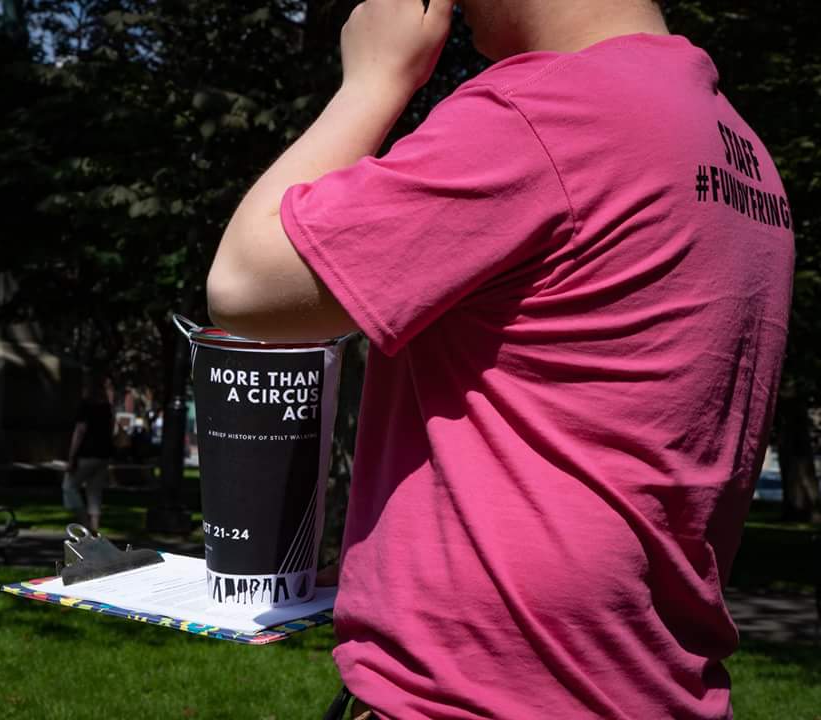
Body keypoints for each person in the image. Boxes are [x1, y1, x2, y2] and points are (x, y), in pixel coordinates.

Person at [207, 0, 795, 717]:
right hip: (650, 688)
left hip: (473, 698)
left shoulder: (546, 111)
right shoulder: (740, 151)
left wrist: (371, 82)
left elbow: (246, 285)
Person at [63, 373, 116, 532]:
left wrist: (71, 457)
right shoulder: (106, 407)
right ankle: (94, 527)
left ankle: (85, 524)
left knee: (69, 486)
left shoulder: (85, 406)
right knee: (94, 491)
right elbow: (110, 429)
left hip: (86, 454)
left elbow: (80, 431)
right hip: (103, 455)